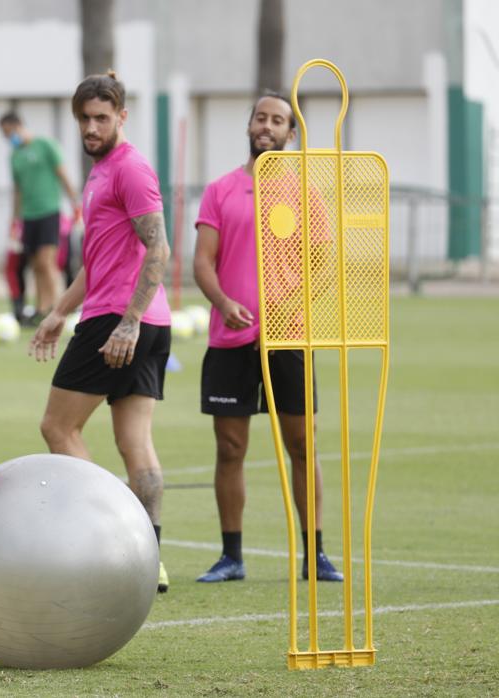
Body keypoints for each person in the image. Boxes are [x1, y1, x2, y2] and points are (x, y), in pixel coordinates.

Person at [29, 72, 172, 594]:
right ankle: (149, 558)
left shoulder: (129, 168)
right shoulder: (100, 173)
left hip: (122, 321)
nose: (92, 127)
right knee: (135, 442)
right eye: (85, 119)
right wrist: (58, 312)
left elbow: (159, 249)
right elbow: (99, 261)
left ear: (122, 117)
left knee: (57, 429)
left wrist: (128, 321)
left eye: (102, 119)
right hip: (144, 322)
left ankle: (116, 530)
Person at [192, 93, 344, 584]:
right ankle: (231, 556)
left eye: (278, 121)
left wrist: (291, 302)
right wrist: (222, 302)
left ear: (290, 134)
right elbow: (202, 262)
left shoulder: (304, 193)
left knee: (302, 445)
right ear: (250, 125)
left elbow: (323, 264)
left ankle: (314, 554)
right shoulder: (220, 189)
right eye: (261, 117)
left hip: (290, 338)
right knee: (230, 447)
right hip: (229, 341)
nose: (267, 126)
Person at [0, 112, 79, 325]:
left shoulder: (45, 145)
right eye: (5, 135)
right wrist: (14, 221)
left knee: (47, 262)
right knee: (35, 265)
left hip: (49, 212)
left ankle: (60, 309)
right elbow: (17, 191)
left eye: (9, 133)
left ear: (18, 126)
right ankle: (42, 309)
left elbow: (63, 175)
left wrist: (75, 204)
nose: (9, 138)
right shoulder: (14, 156)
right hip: (28, 217)